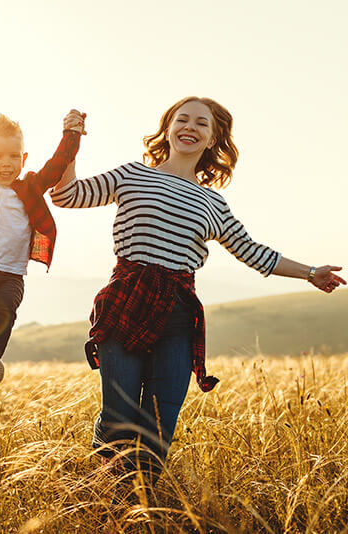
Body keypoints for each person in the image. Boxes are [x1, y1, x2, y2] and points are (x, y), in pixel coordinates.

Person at [51, 98, 345, 482]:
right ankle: (104, 489)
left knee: (158, 423)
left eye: (201, 124)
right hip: (126, 300)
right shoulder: (131, 175)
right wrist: (70, 142)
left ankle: (138, 506)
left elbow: (253, 252)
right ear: (167, 128)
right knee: (119, 419)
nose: (190, 127)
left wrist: (310, 272)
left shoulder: (213, 203)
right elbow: (66, 195)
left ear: (212, 139)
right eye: (182, 119)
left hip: (177, 312)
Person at [0, 87, 85, 396]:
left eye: (13, 156)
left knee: (5, 309)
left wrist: (71, 134)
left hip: (11, 272)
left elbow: (58, 163)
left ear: (23, 158)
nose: (5, 163)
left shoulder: (31, 188)